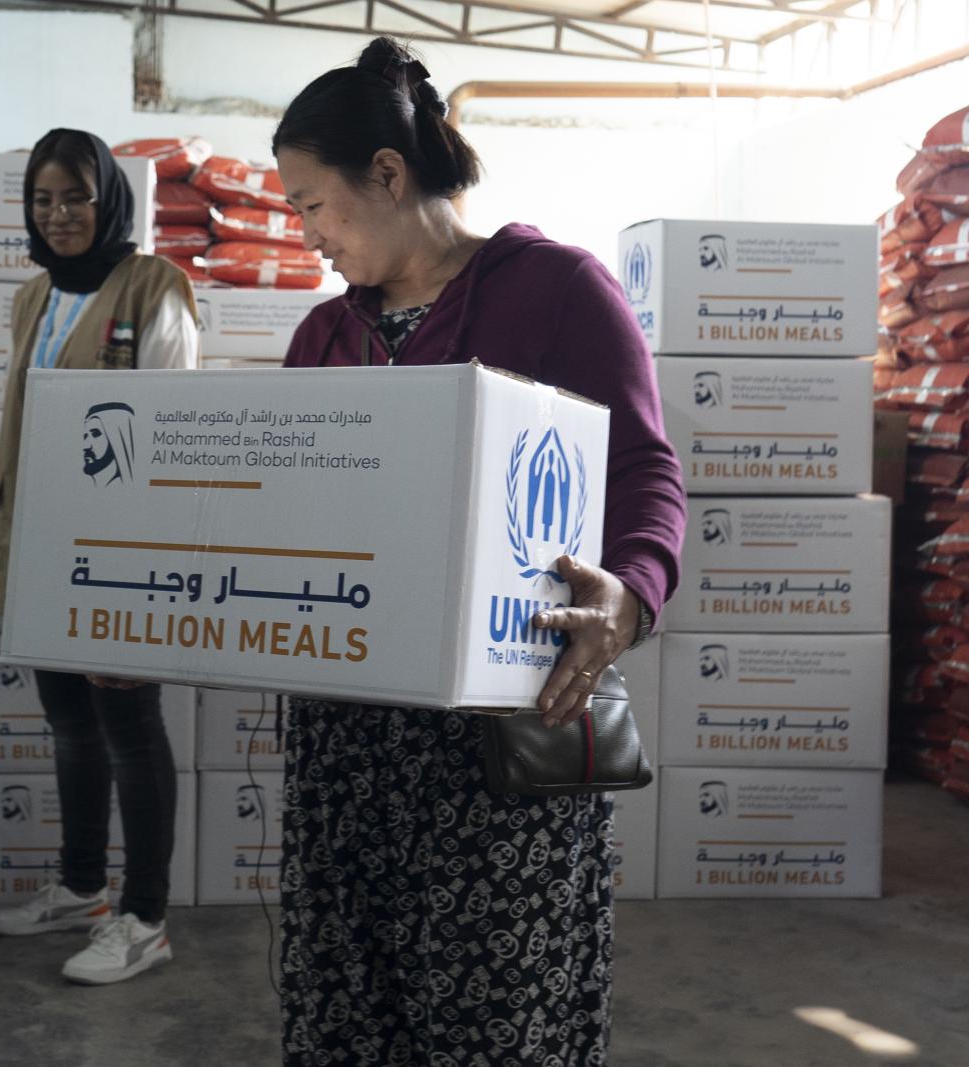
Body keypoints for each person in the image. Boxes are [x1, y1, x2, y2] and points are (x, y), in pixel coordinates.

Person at [271, 37, 686, 1064]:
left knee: (495, 1021)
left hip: (498, 744)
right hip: (346, 751)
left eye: (313, 204)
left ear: (386, 172)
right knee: (345, 1014)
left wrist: (627, 597)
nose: (307, 232)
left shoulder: (552, 290)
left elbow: (644, 473)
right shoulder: (324, 336)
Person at [0, 127, 198, 985]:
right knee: (69, 723)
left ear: (109, 201)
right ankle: (79, 887)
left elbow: (172, 436)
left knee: (131, 729)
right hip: (38, 543)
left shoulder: (154, 285)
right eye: (43, 199)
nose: (59, 214)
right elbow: (16, 430)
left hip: (122, 552)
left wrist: (143, 573)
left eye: (75, 196)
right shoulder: (32, 297)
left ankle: (145, 916)